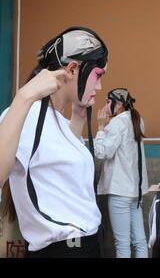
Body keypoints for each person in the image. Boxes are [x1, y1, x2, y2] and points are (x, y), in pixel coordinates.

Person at [0, 27, 108, 257]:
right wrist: (25, 96)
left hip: (85, 245)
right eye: (98, 75)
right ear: (72, 68)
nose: (99, 86)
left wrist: (78, 116)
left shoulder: (57, 120)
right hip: (61, 250)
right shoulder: (24, 114)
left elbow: (63, 182)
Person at [94, 88, 149, 258]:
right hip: (135, 192)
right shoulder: (137, 121)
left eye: (108, 102)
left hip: (120, 192)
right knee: (140, 241)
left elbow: (102, 152)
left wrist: (101, 127)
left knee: (122, 244)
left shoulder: (117, 123)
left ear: (118, 104)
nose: (105, 106)